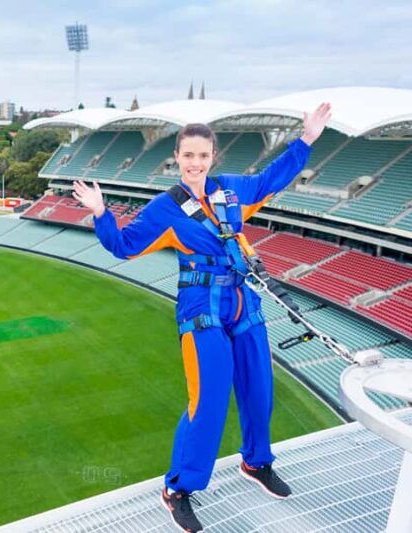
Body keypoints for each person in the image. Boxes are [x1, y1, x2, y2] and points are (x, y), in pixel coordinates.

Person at [72, 103, 332, 533]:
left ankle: (256, 463)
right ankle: (178, 489)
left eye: (203, 156)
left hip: (243, 301)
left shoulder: (231, 191)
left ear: (213, 157)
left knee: (258, 389)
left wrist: (306, 139)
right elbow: (124, 246)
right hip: (201, 306)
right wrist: (102, 213)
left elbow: (272, 179)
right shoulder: (164, 209)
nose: (195, 163)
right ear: (177, 156)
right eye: (188, 155)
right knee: (207, 399)